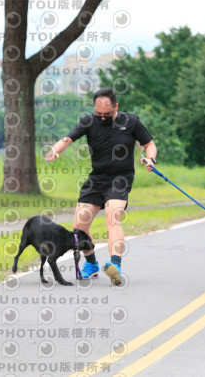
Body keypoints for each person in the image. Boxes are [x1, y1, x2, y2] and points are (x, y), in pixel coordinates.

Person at [45, 88, 157, 285]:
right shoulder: (89, 121)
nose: (103, 118)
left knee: (113, 217)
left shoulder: (131, 122)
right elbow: (68, 138)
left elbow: (149, 144)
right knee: (79, 225)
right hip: (97, 179)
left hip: (121, 179)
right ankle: (92, 264)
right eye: (99, 114)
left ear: (116, 107)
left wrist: (151, 159)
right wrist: (55, 149)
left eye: (108, 114)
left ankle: (115, 265)